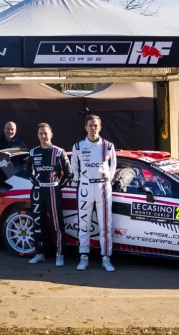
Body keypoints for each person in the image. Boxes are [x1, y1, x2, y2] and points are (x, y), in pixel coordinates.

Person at [70, 114, 117, 272]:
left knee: (106, 224)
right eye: (90, 125)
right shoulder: (78, 146)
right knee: (83, 223)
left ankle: (106, 257)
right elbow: (74, 167)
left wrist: (108, 180)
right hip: (85, 187)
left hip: (103, 187)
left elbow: (113, 166)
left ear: (100, 127)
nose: (93, 128)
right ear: (85, 127)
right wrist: (79, 180)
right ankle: (84, 256)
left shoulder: (108, 146)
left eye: (96, 125)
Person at [26, 123, 71, 267]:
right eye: (41, 133)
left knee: (57, 223)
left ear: (51, 134)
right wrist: (36, 184)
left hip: (53, 191)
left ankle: (60, 254)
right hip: (38, 191)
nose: (43, 136)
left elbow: (69, 174)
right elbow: (28, 172)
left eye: (45, 133)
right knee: (37, 222)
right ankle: (39, 253)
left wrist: (58, 186)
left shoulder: (59, 152)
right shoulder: (33, 152)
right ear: (37, 135)